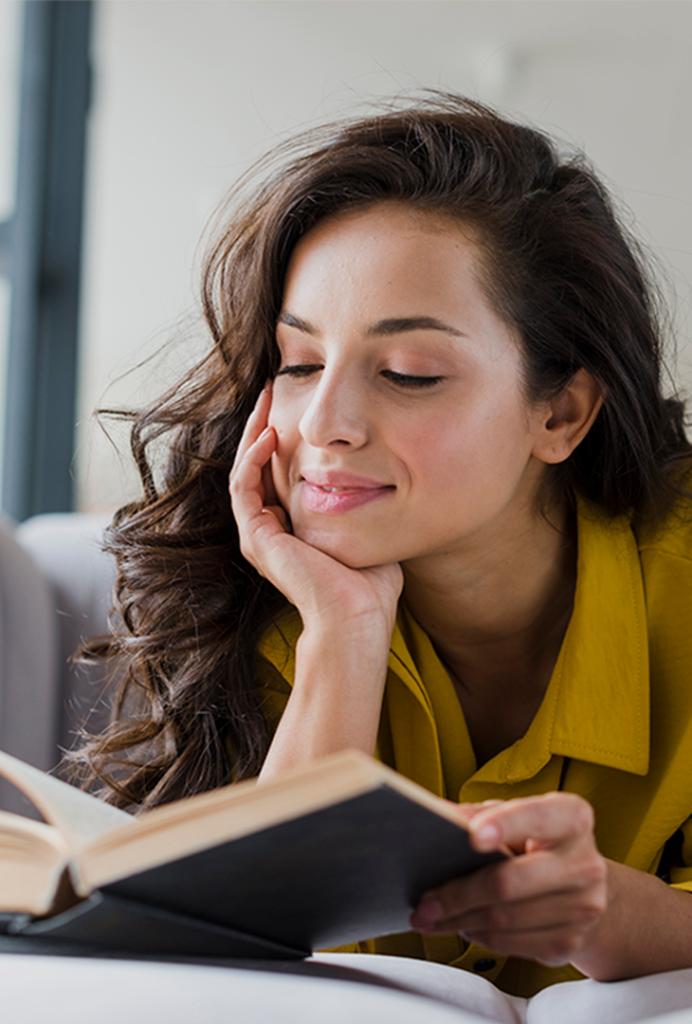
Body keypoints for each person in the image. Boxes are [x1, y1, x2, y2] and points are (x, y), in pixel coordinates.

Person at [75, 94, 692, 998]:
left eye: (408, 374)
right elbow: (251, 954)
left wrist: (610, 911)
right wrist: (344, 628)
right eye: (298, 364)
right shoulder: (264, 592)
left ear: (559, 413)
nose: (325, 425)